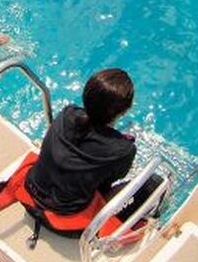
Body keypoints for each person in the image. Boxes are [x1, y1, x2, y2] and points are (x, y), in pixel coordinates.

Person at [25, 69, 162, 221]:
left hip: (31, 189)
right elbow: (109, 181)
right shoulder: (123, 150)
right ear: (124, 110)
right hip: (65, 214)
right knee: (155, 183)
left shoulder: (67, 113)